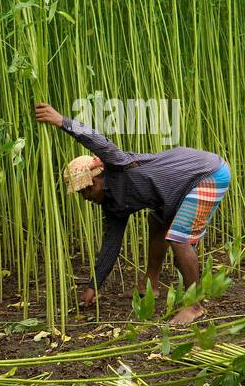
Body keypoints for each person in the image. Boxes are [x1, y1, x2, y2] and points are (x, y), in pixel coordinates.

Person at [34, 102, 231, 326]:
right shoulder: (113, 205)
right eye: (81, 193)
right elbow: (111, 245)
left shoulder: (118, 163)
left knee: (178, 238)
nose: (86, 196)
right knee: (156, 221)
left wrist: (62, 121)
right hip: (175, 191)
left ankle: (194, 305)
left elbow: (97, 139)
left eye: (88, 188)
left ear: (99, 176)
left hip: (206, 174)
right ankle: (151, 284)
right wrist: (93, 286)